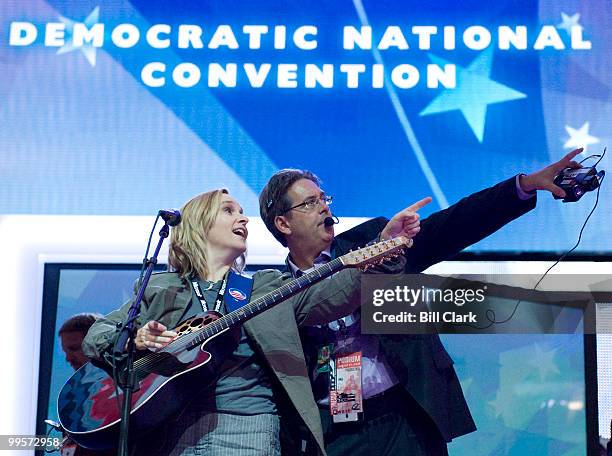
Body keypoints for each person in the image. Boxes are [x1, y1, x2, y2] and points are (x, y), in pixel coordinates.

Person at [258, 149, 583, 456]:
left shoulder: (372, 241)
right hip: (335, 431)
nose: (324, 208)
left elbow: (453, 225)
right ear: (283, 224)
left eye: (323, 199)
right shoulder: (274, 291)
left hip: (406, 413)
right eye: (309, 203)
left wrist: (524, 186)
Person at [82, 188, 410, 456]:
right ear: (198, 224)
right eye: (229, 210)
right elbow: (98, 334)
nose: (243, 218)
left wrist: (384, 253)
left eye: (242, 211)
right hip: (167, 431)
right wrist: (137, 339)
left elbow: (336, 294)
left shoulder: (265, 286)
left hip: (247, 429)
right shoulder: (160, 288)